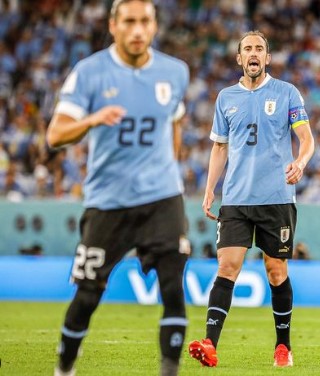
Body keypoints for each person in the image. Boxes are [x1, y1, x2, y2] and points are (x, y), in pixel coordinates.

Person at [46, 1, 190, 375]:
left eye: (145, 21)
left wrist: (169, 166)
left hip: (162, 197)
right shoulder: (90, 73)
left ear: (155, 25)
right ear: (113, 25)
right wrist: (93, 118)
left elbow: (175, 119)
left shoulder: (175, 73)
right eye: (129, 22)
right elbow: (56, 134)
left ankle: (169, 370)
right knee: (88, 294)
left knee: (174, 287)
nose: (138, 30)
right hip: (109, 201)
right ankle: (65, 367)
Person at [188, 30, 315, 368]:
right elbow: (219, 147)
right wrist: (209, 190)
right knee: (227, 266)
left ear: (268, 58)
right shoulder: (225, 97)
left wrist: (300, 163)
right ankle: (210, 345)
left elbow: (306, 138)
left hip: (276, 198)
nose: (254, 53)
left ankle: (283, 347)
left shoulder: (287, 93)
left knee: (275, 270)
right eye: (248, 49)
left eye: (260, 48)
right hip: (236, 200)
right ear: (239, 58)